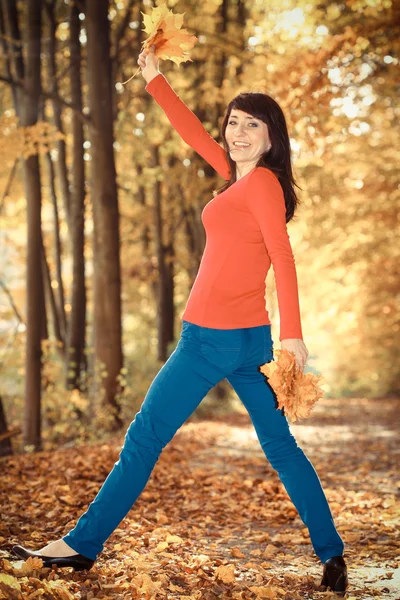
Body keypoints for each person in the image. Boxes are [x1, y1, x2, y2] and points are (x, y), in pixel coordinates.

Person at [12, 45, 348, 595]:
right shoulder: (240, 180)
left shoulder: (260, 184)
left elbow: (282, 255)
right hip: (246, 344)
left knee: (144, 440)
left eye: (251, 125)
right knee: (281, 448)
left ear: (271, 137)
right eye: (233, 123)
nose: (237, 133)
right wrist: (156, 81)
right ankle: (332, 556)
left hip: (211, 343)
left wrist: (294, 334)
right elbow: (196, 135)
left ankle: (80, 546)